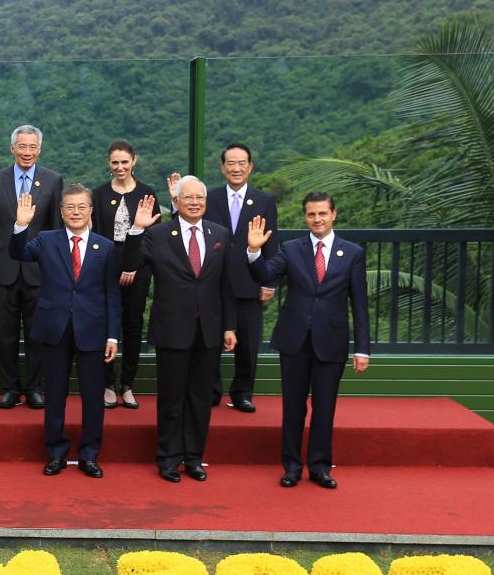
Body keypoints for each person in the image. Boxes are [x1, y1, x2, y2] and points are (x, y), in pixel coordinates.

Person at [246, 195, 370, 489]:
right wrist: (253, 250)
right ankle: (291, 466)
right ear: (305, 218)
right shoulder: (291, 249)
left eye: (323, 213)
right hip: (294, 341)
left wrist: (362, 348)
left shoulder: (352, 253)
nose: (317, 219)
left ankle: (320, 467)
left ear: (334, 215)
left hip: (332, 341)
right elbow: (265, 274)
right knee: (292, 407)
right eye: (312, 214)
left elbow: (360, 304)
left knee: (325, 408)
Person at [122, 179, 237, 482]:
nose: (196, 202)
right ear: (177, 200)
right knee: (172, 398)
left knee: (201, 398)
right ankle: (169, 458)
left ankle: (194, 457)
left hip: (209, 329)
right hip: (172, 328)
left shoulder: (220, 234)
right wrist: (136, 230)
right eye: (189, 197)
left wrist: (229, 326)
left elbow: (227, 285)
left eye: (200, 197)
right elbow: (128, 263)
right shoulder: (158, 235)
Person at [9, 185, 121, 478]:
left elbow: (112, 294)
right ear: (61, 211)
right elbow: (19, 252)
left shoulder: (105, 246)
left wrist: (112, 336)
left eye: (81, 207)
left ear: (90, 211)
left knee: (93, 397)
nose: (75, 212)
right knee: (55, 395)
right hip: (54, 329)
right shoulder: (46, 240)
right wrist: (21, 225)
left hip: (93, 331)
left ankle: (89, 455)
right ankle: (56, 453)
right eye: (70, 207)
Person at [0, 125, 63, 409]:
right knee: (4, 334)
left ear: (39, 150)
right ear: (12, 148)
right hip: (5, 269)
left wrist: (55, 270)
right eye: (22, 147)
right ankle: (10, 387)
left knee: (37, 333)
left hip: (39, 271)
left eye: (32, 147)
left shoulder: (53, 181)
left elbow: (56, 228)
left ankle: (34, 388)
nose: (27, 152)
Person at [204, 142, 278, 413]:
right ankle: (211, 390)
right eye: (230, 163)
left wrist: (269, 280)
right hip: (214, 282)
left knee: (248, 343)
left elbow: (272, 243)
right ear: (222, 167)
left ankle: (243, 392)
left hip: (250, 281)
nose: (236, 168)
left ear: (250, 167)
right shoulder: (209, 199)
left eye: (241, 163)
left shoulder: (264, 201)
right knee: (210, 339)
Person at [93, 140, 161, 410]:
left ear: (134, 161)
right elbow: (95, 235)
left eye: (125, 162)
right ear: (109, 164)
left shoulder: (147, 193)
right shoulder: (98, 194)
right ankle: (108, 384)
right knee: (105, 324)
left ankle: (128, 384)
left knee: (132, 326)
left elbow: (152, 236)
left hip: (139, 269)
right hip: (106, 267)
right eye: (115, 162)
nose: (120, 167)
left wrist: (133, 265)